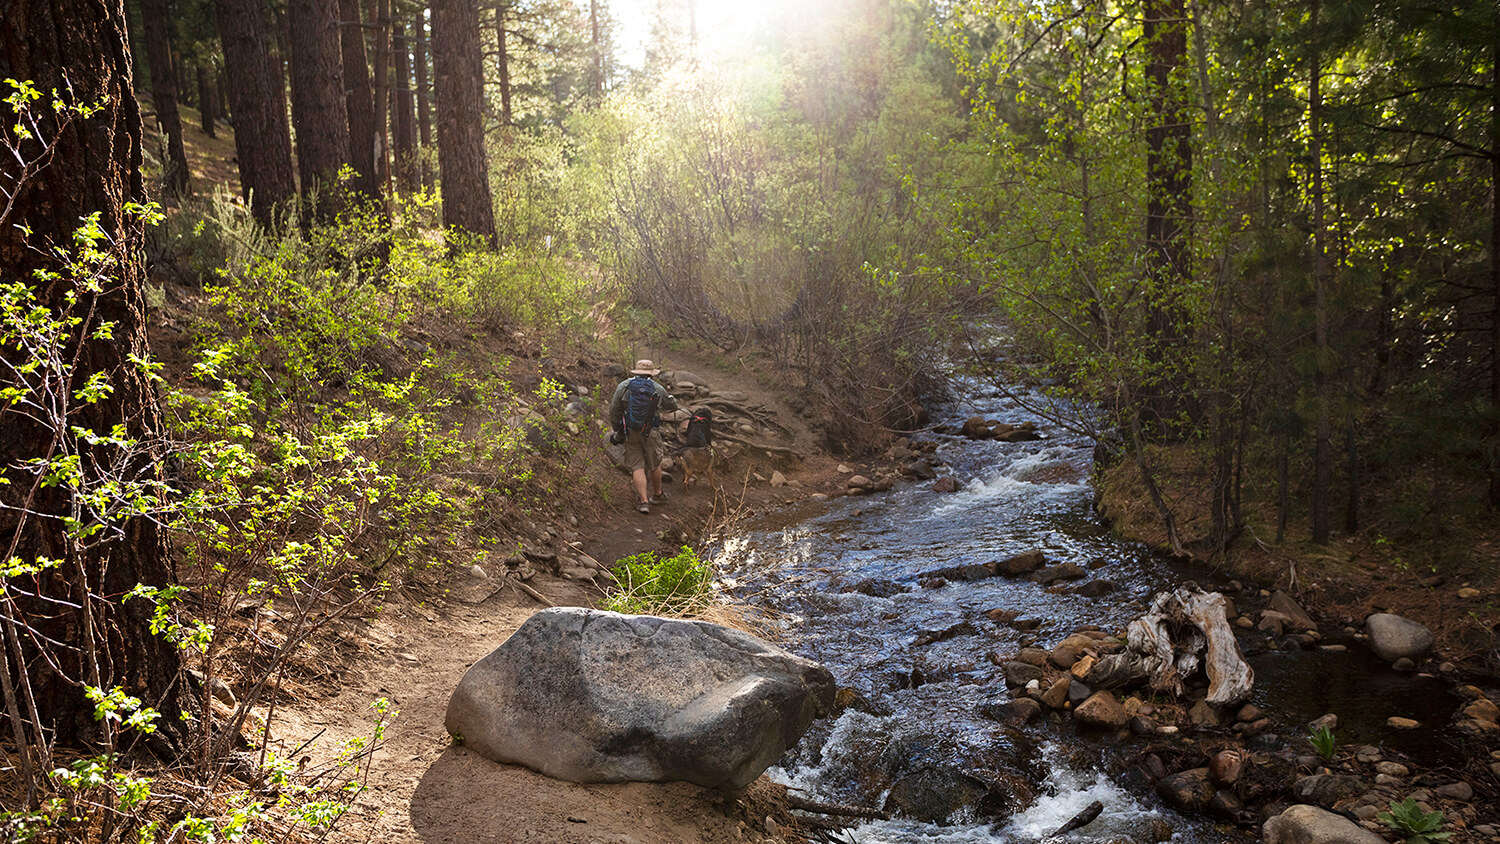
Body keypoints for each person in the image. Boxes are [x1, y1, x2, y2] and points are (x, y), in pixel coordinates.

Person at [608, 359, 678, 514]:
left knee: (637, 466)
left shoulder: (624, 386)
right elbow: (672, 406)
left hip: (630, 431)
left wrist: (618, 430)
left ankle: (643, 502)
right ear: (651, 374)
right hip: (651, 431)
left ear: (636, 372)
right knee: (655, 463)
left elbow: (614, 410)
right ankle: (658, 495)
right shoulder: (657, 388)